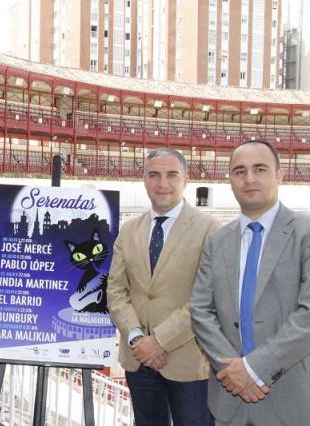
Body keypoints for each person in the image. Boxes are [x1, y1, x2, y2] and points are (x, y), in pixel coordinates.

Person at [190, 140, 310, 426]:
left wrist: (254, 369)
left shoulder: (305, 233)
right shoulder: (216, 241)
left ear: (279, 175)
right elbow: (200, 311)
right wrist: (233, 372)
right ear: (230, 180)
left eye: (260, 169)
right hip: (229, 398)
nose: (250, 179)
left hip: (291, 397)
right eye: (240, 171)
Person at [107, 148, 220, 426]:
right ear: (144, 179)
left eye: (172, 175)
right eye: (154, 175)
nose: (162, 183)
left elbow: (207, 298)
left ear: (186, 179)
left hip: (188, 361)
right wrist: (136, 339)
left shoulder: (210, 229)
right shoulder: (129, 229)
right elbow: (116, 291)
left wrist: (159, 341)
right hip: (138, 360)